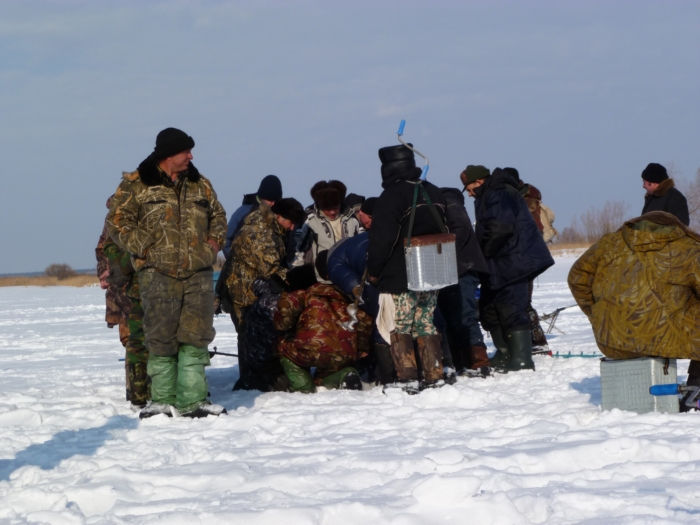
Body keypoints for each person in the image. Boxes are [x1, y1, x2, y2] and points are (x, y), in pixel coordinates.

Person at [107, 127, 228, 419]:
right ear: (168, 155)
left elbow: (219, 217)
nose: (191, 156)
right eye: (186, 151)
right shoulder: (136, 185)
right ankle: (161, 400)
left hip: (197, 273)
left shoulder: (202, 185)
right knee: (160, 337)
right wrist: (145, 248)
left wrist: (212, 245)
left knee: (196, 335)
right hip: (156, 274)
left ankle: (193, 401)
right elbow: (117, 221)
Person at [568, 211, 700, 411]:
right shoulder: (689, 248)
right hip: (666, 339)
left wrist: (597, 316)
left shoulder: (608, 244)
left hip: (613, 340)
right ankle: (696, 393)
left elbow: (577, 279)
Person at [367, 144, 448, 394]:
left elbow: (383, 238)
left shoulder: (392, 195)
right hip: (434, 268)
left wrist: (374, 270)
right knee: (426, 321)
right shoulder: (432, 190)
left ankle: (408, 378)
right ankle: (434, 375)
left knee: (401, 324)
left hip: (402, 274)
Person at [461, 165, 554, 373]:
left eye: (469, 188)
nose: (468, 193)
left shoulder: (498, 193)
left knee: (511, 307)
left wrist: (483, 254)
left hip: (513, 260)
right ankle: (505, 353)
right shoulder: (486, 196)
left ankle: (521, 358)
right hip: (500, 261)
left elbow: (500, 228)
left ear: (479, 182)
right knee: (490, 309)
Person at [227, 197, 307, 389]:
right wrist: (297, 280)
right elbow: (271, 268)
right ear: (279, 216)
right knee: (248, 335)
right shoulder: (264, 233)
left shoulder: (270, 227)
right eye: (290, 222)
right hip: (246, 291)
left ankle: (253, 377)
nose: (292, 227)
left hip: (250, 287)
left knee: (249, 335)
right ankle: (249, 379)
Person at [273, 252, 369, 393]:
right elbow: (364, 321)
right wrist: (361, 349)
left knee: (281, 346)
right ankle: (345, 375)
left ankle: (302, 385)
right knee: (329, 372)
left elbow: (282, 322)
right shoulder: (346, 298)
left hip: (310, 349)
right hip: (344, 351)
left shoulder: (304, 294)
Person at [437, 187, 490, 376]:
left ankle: (479, 361)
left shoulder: (450, 204)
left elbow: (460, 232)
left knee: (465, 315)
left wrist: (440, 251)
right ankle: (461, 361)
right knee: (452, 317)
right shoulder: (448, 205)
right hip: (453, 269)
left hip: (463, 269)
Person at [503, 167, 551, 355]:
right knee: (522, 302)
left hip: (524, 259)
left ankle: (537, 343)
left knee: (523, 302)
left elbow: (530, 231)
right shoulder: (521, 199)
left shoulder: (527, 202)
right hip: (522, 258)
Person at [297, 180, 361, 280]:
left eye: (336, 208)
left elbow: (361, 246)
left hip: (350, 277)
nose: (332, 212)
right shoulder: (310, 221)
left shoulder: (351, 219)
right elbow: (299, 251)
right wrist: (299, 277)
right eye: (327, 209)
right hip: (322, 279)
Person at [223, 175, 283, 258]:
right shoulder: (244, 212)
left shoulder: (279, 213)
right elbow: (227, 239)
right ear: (262, 196)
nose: (273, 203)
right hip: (244, 267)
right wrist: (235, 262)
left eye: (275, 200)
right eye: (270, 200)